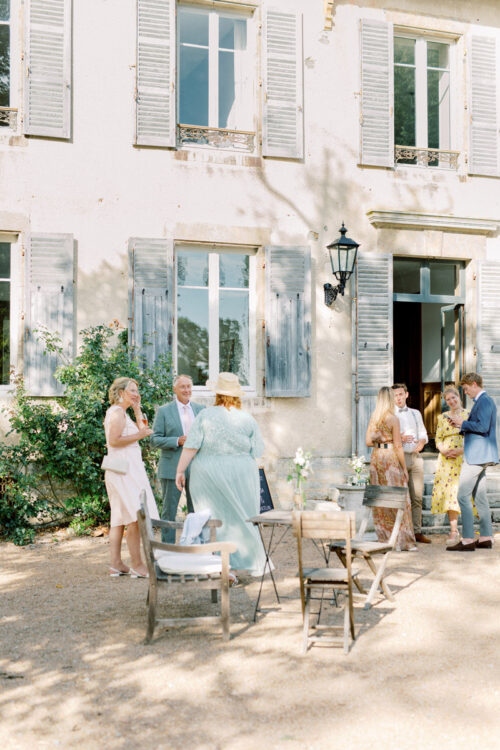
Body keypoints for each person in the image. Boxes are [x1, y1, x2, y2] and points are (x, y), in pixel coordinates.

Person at [175, 372, 267, 577]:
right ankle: (245, 562)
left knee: (213, 517)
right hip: (242, 473)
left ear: (217, 393)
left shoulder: (206, 415)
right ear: (237, 395)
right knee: (241, 516)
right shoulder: (247, 418)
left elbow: (192, 446)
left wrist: (180, 470)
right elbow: (257, 450)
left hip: (208, 473)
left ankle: (219, 564)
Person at [103, 377, 158, 577]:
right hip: (122, 471)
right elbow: (114, 441)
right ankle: (137, 564)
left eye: (137, 390)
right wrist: (139, 436)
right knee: (134, 516)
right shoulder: (116, 413)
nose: (136, 394)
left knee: (118, 518)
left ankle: (116, 563)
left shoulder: (124, 413)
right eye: (132, 390)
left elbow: (143, 428)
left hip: (126, 470)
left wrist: (137, 409)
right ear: (120, 392)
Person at [446, 373, 498, 551]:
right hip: (482, 455)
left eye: (466, 389)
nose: (466, 393)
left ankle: (467, 539)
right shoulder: (486, 401)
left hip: (476, 456)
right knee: (480, 498)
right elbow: (480, 426)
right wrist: (462, 425)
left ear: (474, 384)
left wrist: (463, 423)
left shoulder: (484, 401)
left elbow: (482, 427)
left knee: (462, 496)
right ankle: (485, 537)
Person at [150, 375, 205, 543]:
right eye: (182, 387)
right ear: (175, 389)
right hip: (171, 467)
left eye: (189, 386)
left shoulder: (201, 409)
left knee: (196, 510)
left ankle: (195, 545)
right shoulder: (164, 411)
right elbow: (154, 439)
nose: (186, 390)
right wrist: (177, 440)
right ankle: (167, 549)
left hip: (197, 467)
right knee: (169, 511)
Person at [366, 386, 416, 551]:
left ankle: (385, 537)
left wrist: (377, 437)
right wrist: (403, 468)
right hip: (390, 459)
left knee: (380, 498)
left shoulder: (374, 417)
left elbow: (368, 442)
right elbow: (398, 446)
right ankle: (403, 541)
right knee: (399, 497)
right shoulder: (393, 419)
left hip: (376, 458)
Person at [431, 386, 471, 546]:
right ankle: (453, 530)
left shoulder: (468, 415)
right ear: (445, 402)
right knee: (449, 494)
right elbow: (438, 438)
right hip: (446, 460)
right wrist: (444, 450)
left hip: (462, 458)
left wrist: (460, 451)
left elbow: (473, 437)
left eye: (453, 398)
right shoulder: (442, 417)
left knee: (462, 493)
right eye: (448, 399)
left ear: (459, 397)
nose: (452, 401)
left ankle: (468, 530)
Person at [392, 383, 431, 544]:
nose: (398, 398)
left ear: (406, 395)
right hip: (398, 458)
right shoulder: (389, 415)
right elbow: (384, 437)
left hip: (415, 458)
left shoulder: (416, 414)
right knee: (400, 497)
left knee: (417, 497)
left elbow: (423, 433)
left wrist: (422, 442)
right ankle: (399, 533)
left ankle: (417, 532)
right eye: (395, 395)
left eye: (401, 394)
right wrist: (399, 438)